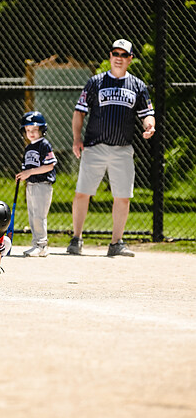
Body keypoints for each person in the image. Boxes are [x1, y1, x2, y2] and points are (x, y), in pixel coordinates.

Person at [67, 38, 156, 257]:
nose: (119, 58)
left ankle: (116, 243)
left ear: (130, 59)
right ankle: (76, 238)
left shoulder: (138, 86)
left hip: (122, 149)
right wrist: (77, 139)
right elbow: (79, 112)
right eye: (115, 53)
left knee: (123, 196)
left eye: (124, 55)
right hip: (95, 147)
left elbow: (147, 114)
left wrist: (149, 126)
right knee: (82, 194)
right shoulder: (96, 82)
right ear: (110, 56)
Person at [16, 111, 57, 257]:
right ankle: (36, 244)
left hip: (42, 185)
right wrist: (23, 175)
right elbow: (26, 167)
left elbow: (49, 166)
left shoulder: (44, 145)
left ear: (41, 130)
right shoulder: (29, 148)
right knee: (32, 216)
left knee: (39, 216)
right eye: (28, 130)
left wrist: (30, 172)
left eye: (34, 130)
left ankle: (42, 245)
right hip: (32, 185)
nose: (31, 133)